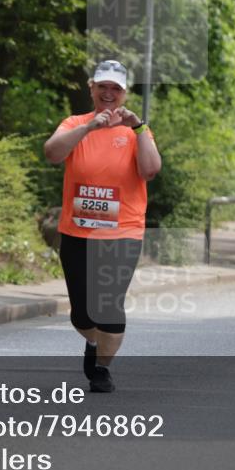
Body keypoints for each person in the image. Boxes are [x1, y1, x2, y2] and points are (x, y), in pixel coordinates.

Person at [43, 60, 162, 392]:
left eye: (116, 89)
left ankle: (101, 369)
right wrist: (88, 128)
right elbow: (52, 153)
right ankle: (92, 342)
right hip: (77, 231)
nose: (109, 94)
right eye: (103, 87)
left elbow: (151, 170)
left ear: (124, 94)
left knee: (108, 305)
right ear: (91, 88)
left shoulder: (137, 130)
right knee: (82, 314)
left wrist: (139, 128)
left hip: (122, 232)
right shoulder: (75, 123)